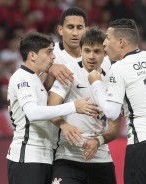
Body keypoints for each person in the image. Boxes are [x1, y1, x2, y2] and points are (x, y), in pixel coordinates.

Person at [88, 18, 146, 184]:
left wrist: (96, 83)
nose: (104, 44)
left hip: (144, 144)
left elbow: (111, 112)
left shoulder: (120, 68)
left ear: (121, 42)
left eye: (108, 38)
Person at [6, 32, 97, 184]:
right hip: (27, 157)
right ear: (32, 55)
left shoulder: (34, 78)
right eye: (48, 52)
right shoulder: (22, 77)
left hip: (44, 157)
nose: (53, 57)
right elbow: (33, 113)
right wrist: (73, 106)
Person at [48, 27, 119, 184]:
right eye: (87, 51)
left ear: (105, 52)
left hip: (101, 159)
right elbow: (51, 107)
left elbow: (115, 128)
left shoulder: (115, 78)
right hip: (68, 158)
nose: (91, 56)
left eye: (97, 51)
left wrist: (97, 141)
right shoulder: (69, 72)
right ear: (80, 51)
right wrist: (64, 125)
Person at [44, 7, 88, 89]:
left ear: (86, 30)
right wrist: (50, 69)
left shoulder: (95, 56)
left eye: (79, 28)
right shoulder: (48, 53)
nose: (75, 33)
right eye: (70, 27)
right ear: (60, 30)